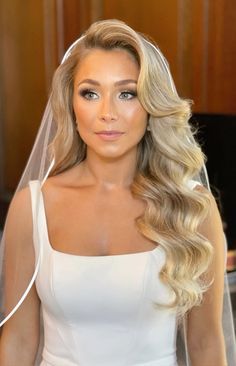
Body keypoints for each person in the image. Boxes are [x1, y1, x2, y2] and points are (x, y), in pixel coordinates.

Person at [0, 19, 235, 366]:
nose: (107, 113)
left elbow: (205, 344)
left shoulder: (191, 207)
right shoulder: (32, 206)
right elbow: (18, 342)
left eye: (127, 93)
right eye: (90, 93)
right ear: (71, 103)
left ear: (151, 105)